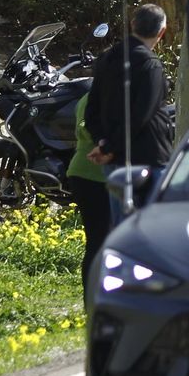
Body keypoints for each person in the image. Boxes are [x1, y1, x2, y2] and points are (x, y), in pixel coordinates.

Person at [86, 3, 173, 173]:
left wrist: (104, 144)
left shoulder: (107, 57)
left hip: (113, 160)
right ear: (162, 32)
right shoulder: (151, 65)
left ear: (133, 24)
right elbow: (141, 116)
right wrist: (108, 148)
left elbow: (91, 110)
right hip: (147, 159)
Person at [65, 92, 108, 297]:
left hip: (81, 170)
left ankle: (92, 302)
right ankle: (95, 302)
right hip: (96, 173)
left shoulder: (85, 97)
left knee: (95, 243)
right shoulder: (108, 98)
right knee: (100, 243)